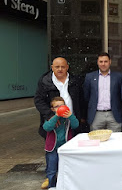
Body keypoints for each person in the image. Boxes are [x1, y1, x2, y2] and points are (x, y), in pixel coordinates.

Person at [34, 57, 84, 189]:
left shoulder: (74, 80)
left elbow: (82, 99)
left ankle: (67, 180)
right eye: (57, 67)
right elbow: (38, 101)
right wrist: (51, 115)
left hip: (69, 122)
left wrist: (80, 117)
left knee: (69, 153)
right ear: (52, 67)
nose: (60, 69)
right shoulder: (45, 81)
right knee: (52, 154)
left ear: (67, 67)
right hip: (54, 122)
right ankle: (50, 179)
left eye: (63, 66)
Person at [43, 97, 79, 188]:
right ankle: (51, 186)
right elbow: (47, 127)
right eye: (57, 106)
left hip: (66, 148)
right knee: (52, 170)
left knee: (66, 168)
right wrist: (56, 116)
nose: (60, 107)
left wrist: (70, 116)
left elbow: (75, 125)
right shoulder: (50, 118)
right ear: (52, 109)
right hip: (53, 149)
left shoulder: (67, 118)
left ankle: (65, 186)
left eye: (62, 105)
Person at [83, 52, 122, 132]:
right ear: (97, 62)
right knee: (97, 141)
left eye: (105, 61)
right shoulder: (90, 77)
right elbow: (86, 96)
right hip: (96, 114)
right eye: (101, 61)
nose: (103, 64)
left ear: (110, 62)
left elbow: (121, 95)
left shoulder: (118, 76)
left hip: (114, 114)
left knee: (116, 140)